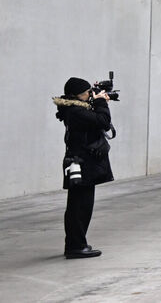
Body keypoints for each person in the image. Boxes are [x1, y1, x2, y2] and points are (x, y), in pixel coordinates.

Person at [53, 77, 114, 259]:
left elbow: (95, 120)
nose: (90, 95)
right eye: (88, 93)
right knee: (80, 207)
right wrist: (102, 102)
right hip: (82, 164)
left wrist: (97, 102)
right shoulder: (75, 112)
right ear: (78, 95)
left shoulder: (76, 109)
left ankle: (75, 244)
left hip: (81, 162)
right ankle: (76, 246)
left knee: (78, 205)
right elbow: (103, 121)